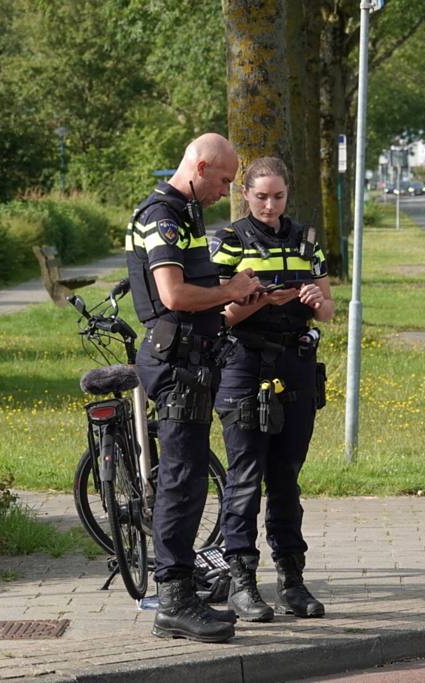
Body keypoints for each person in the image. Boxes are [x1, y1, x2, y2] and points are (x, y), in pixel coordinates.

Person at [125, 133, 260, 643]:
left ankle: (182, 593)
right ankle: (174, 601)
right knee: (182, 482)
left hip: (194, 360)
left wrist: (237, 288)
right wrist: (230, 290)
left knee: (190, 478)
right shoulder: (163, 213)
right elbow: (173, 294)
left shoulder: (186, 212)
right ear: (200, 167)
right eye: (224, 180)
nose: (226, 191)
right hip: (175, 363)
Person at [209, 157, 335, 622]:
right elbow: (217, 315)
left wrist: (315, 301)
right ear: (244, 193)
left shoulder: (305, 241)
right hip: (243, 365)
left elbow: (326, 311)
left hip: (296, 364)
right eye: (261, 196)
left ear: (288, 194)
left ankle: (292, 581)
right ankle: (242, 583)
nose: (269, 205)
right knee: (245, 479)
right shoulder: (228, 241)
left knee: (286, 478)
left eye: (278, 197)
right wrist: (256, 300)